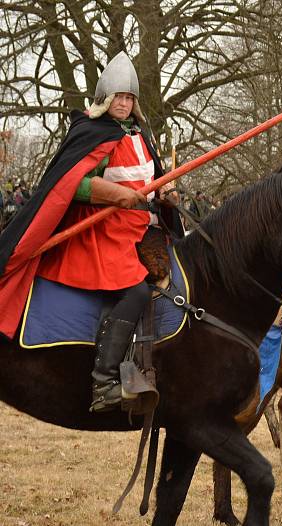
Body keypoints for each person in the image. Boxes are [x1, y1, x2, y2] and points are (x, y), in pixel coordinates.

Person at [0, 51, 178, 412]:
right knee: (135, 292)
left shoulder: (140, 135)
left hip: (140, 231)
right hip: (101, 233)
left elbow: (154, 178)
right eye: (119, 97)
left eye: (130, 98)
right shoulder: (91, 133)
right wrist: (115, 194)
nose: (125, 104)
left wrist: (166, 193)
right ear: (106, 100)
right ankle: (104, 382)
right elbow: (71, 185)